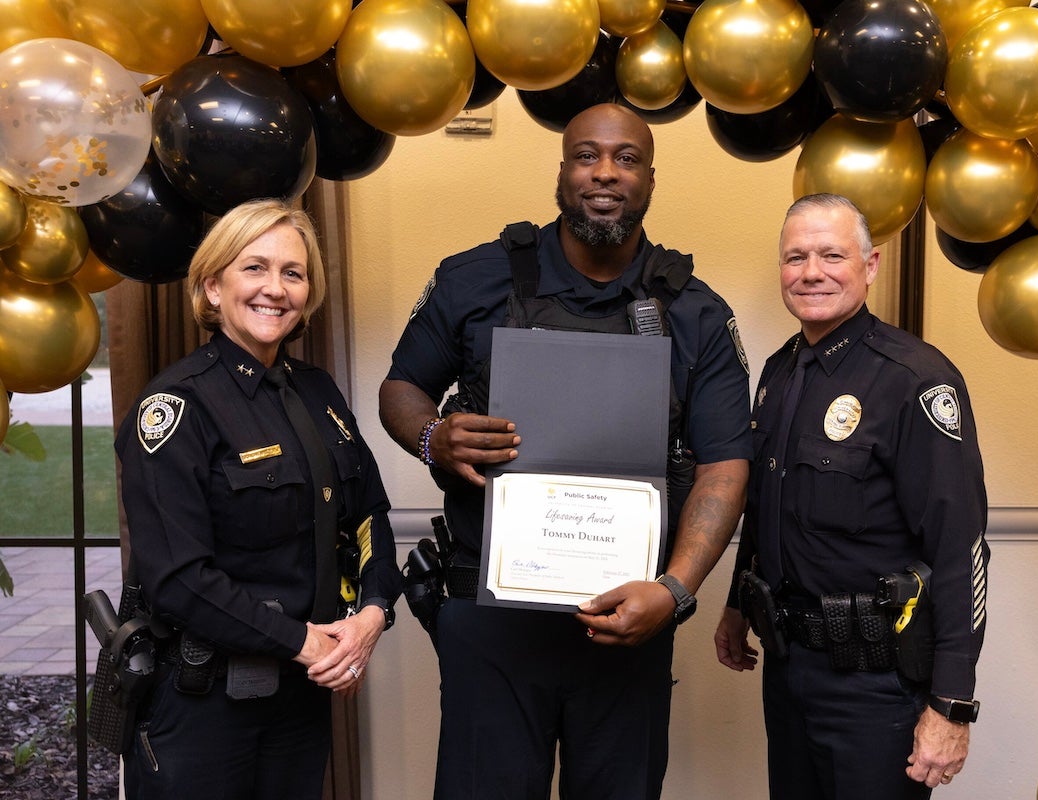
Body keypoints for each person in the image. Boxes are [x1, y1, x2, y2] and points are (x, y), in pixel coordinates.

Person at [379, 102, 751, 799]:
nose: (605, 172)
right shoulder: (474, 279)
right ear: (562, 169)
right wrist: (434, 437)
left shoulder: (698, 313)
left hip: (626, 630)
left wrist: (673, 592)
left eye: (626, 158)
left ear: (649, 177)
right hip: (487, 622)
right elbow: (401, 387)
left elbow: (724, 465)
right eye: (586, 155)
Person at [115, 198, 402, 799]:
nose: (276, 288)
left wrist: (372, 615)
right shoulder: (174, 408)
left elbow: (370, 513)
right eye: (255, 268)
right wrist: (304, 641)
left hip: (300, 701)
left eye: (293, 273)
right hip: (203, 706)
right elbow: (178, 579)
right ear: (213, 286)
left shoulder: (317, 391)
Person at [714, 194, 988, 799]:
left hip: (877, 683)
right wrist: (738, 604)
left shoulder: (915, 379)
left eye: (832, 255)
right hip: (789, 669)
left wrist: (952, 705)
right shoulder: (781, 371)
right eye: (795, 257)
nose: (811, 272)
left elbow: (960, 549)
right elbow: (765, 509)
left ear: (870, 266)